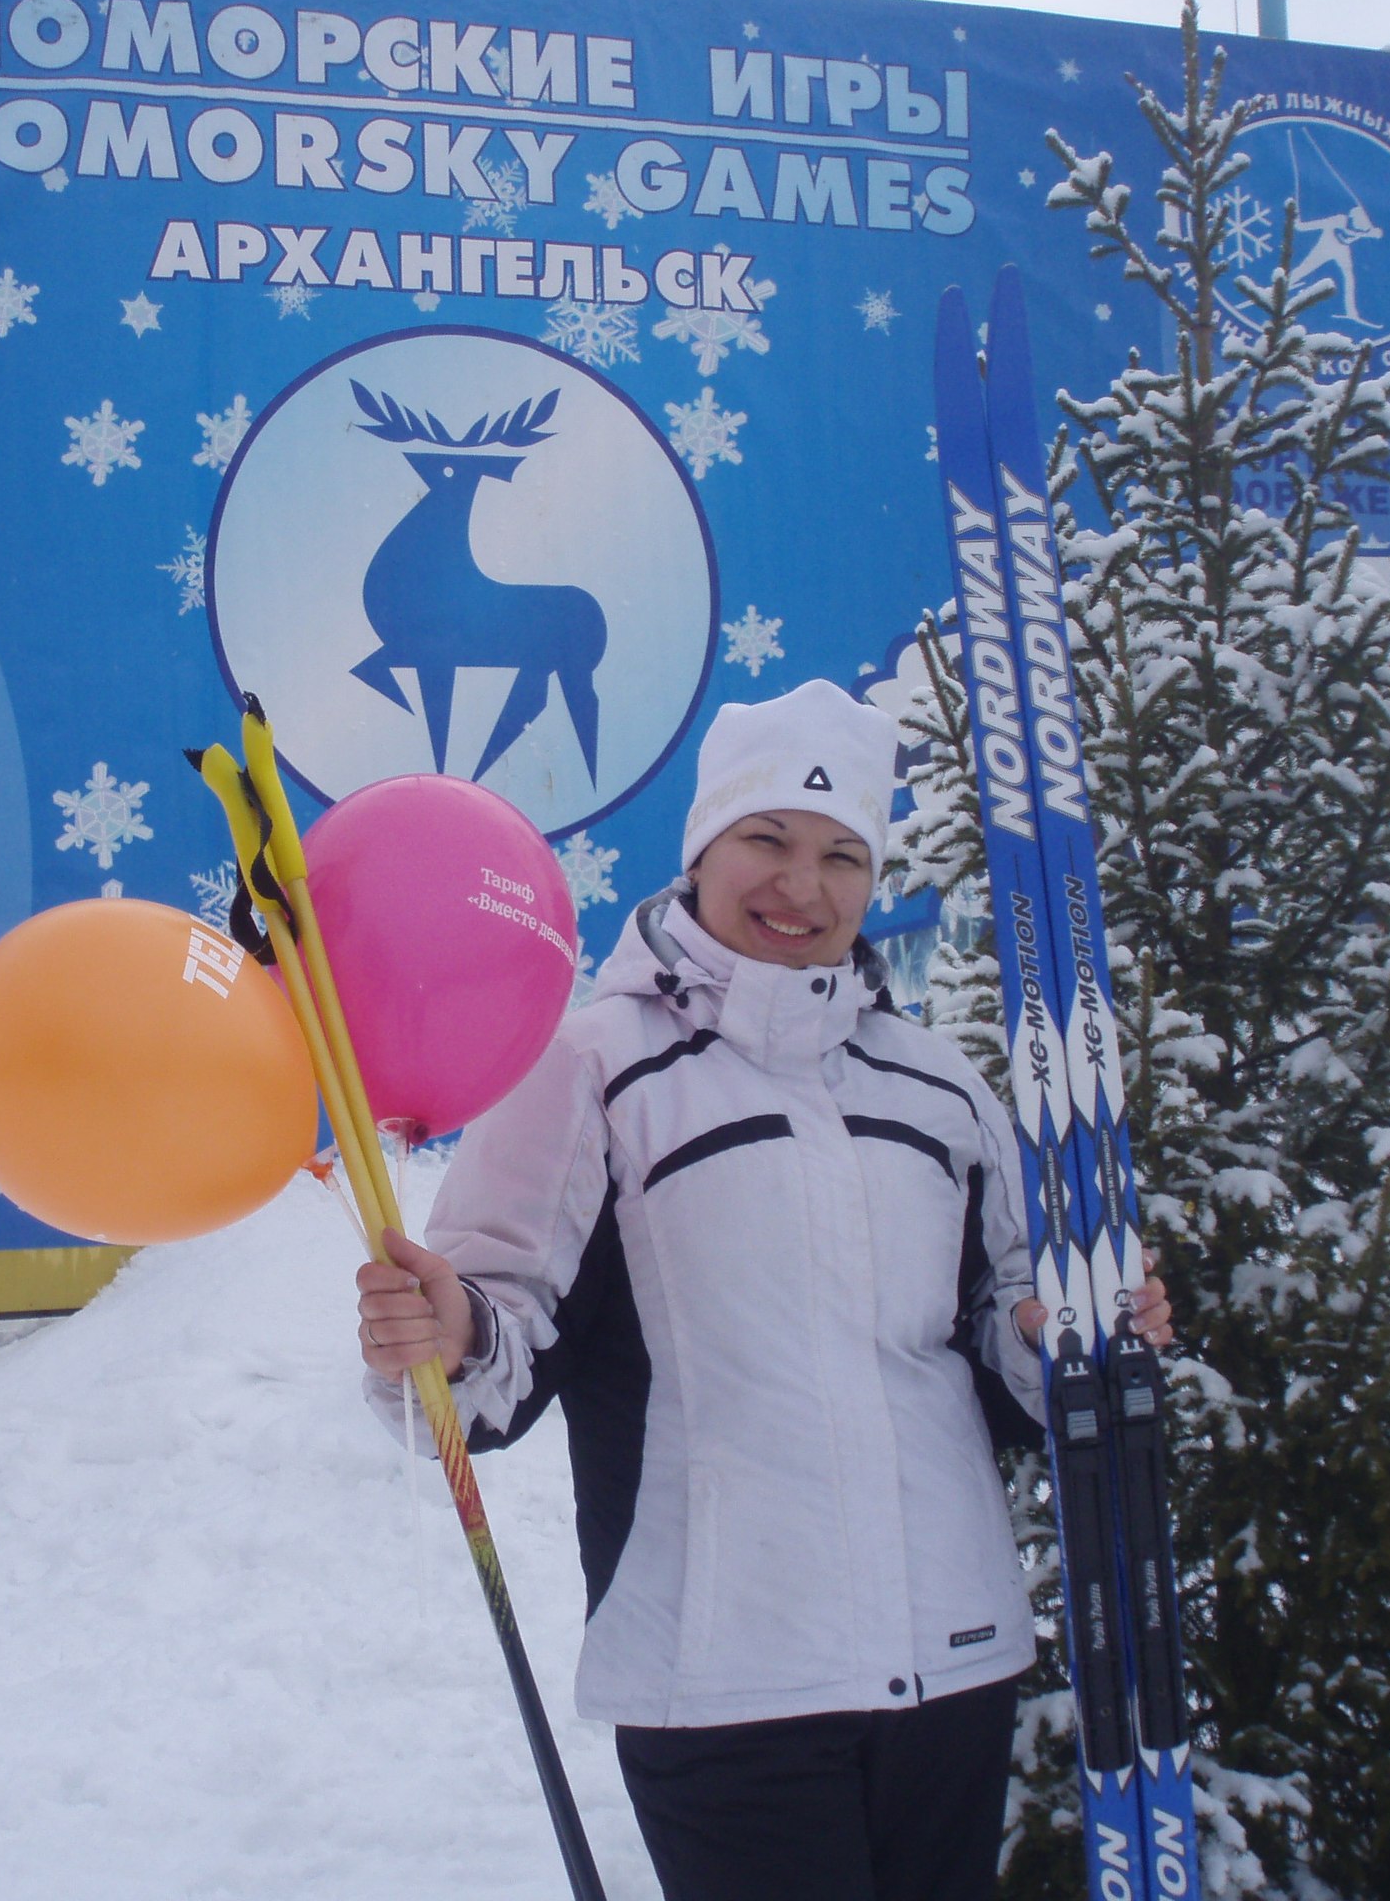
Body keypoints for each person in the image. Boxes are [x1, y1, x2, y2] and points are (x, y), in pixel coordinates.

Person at [355, 680, 1174, 1901]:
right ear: (702, 849)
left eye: (844, 856)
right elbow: (504, 1325)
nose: (804, 885)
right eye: (769, 839)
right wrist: (452, 1330)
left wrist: (1068, 1338)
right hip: (722, 1682)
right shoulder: (592, 1066)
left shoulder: (938, 1087)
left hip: (953, 1658)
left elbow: (1000, 1339)